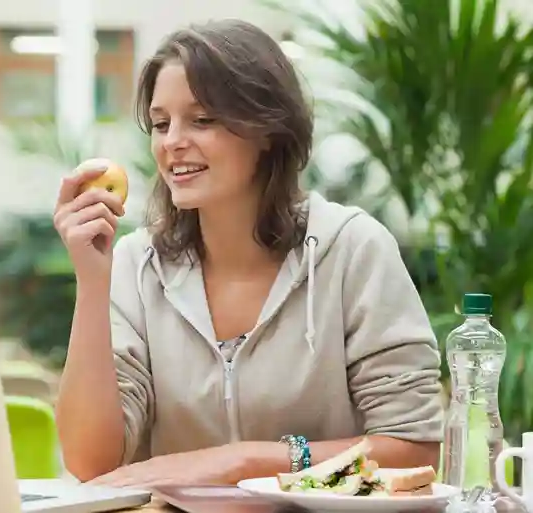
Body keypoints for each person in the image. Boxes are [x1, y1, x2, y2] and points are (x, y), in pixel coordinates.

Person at [52, 19, 444, 488]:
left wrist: (243, 462)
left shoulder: (352, 249)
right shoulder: (137, 265)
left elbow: (413, 447)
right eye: (160, 123)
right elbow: (91, 464)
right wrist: (93, 280)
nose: (172, 141)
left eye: (202, 119)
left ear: (267, 130)